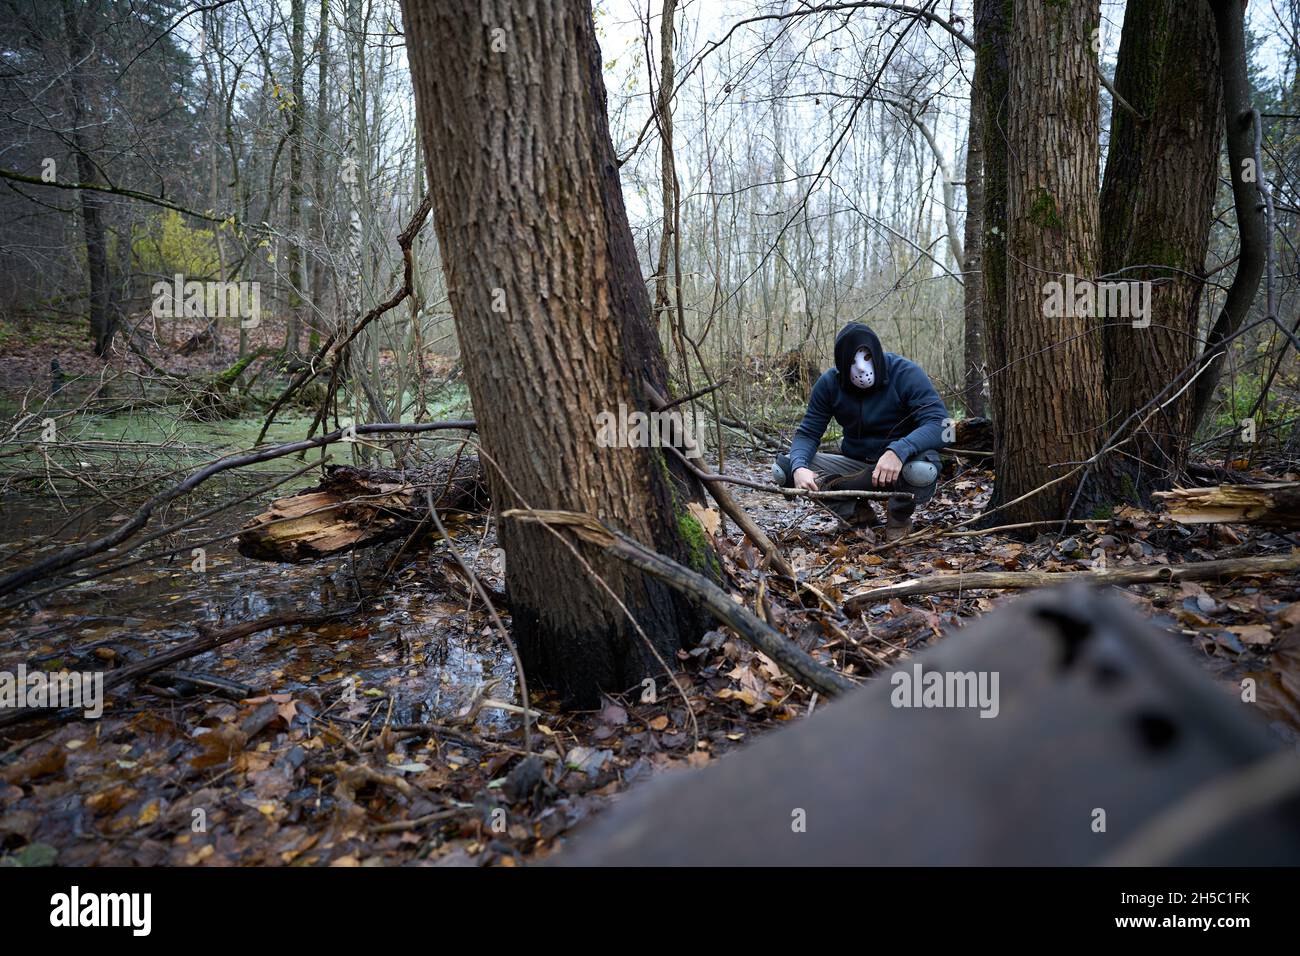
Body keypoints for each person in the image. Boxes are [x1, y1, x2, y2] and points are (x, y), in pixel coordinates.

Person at [772, 321, 949, 541]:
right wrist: (799, 467)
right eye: (852, 361)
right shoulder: (829, 384)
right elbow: (808, 433)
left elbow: (944, 427)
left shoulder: (904, 373)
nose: (862, 368)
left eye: (867, 358)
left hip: (903, 467)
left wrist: (899, 450)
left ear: (876, 354)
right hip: (857, 468)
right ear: (841, 364)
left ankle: (899, 517)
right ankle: (856, 515)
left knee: (922, 469)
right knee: (785, 469)